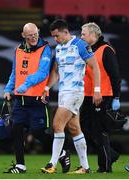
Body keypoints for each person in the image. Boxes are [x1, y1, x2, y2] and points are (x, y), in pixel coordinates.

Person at [3, 22, 70, 173]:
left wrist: (26, 85)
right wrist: (8, 89)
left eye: (35, 34)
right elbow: (15, 72)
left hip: (37, 99)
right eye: (29, 36)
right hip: (20, 99)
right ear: (23, 35)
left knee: (38, 132)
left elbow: (43, 73)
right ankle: (20, 166)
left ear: (38, 32)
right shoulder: (18, 50)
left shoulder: (45, 49)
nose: (33, 38)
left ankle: (62, 152)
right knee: (17, 131)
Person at [40, 19, 102, 174]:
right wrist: (47, 87)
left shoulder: (80, 45)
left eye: (56, 36)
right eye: (53, 37)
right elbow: (55, 71)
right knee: (74, 129)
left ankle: (52, 164)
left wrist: (97, 89)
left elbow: (95, 67)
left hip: (74, 92)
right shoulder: (59, 48)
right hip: (63, 92)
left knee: (57, 124)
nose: (55, 39)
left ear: (65, 32)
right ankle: (85, 167)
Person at [80, 22, 121, 173]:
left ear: (93, 35)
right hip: (87, 96)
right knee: (83, 129)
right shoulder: (87, 50)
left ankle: (105, 167)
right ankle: (111, 154)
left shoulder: (106, 50)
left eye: (83, 34)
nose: (81, 36)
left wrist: (116, 97)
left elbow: (115, 75)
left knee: (99, 131)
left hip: (103, 96)